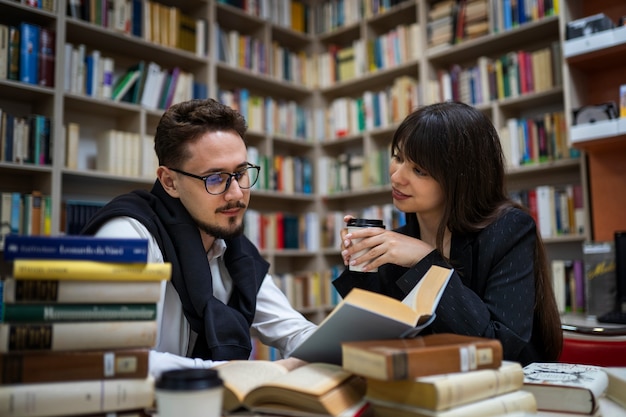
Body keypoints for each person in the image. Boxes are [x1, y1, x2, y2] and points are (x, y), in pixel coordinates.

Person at [81, 98, 316, 376]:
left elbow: (293, 331)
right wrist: (237, 374)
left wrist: (331, 349)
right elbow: (116, 358)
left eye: (240, 173)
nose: (236, 193)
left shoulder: (235, 250)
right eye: (215, 178)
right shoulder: (129, 236)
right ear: (169, 182)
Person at [334, 101, 563, 365]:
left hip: (501, 387)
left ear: (461, 178)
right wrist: (361, 263)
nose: (397, 177)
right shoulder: (399, 241)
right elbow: (375, 339)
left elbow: (498, 347)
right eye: (397, 157)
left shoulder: (510, 229)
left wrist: (427, 262)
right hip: (422, 384)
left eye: (419, 170)